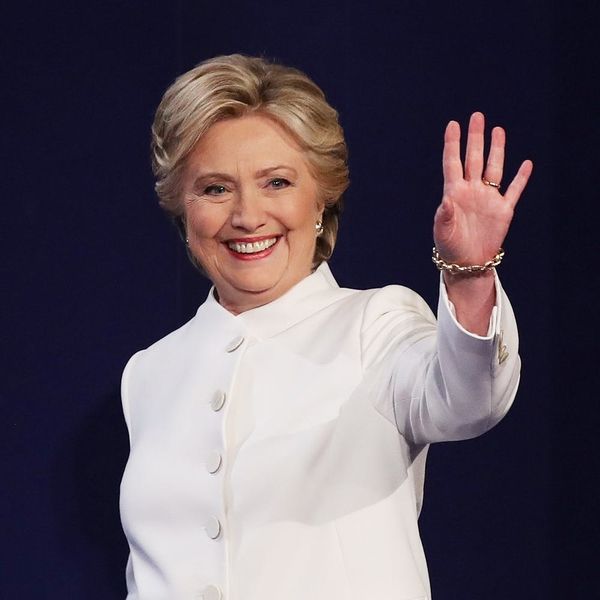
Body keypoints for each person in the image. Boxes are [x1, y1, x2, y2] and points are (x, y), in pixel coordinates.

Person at [119, 54, 532, 600]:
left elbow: (470, 398)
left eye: (276, 182)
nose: (247, 215)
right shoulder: (148, 372)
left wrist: (470, 274)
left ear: (320, 199)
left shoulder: (376, 324)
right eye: (216, 189)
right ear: (183, 208)